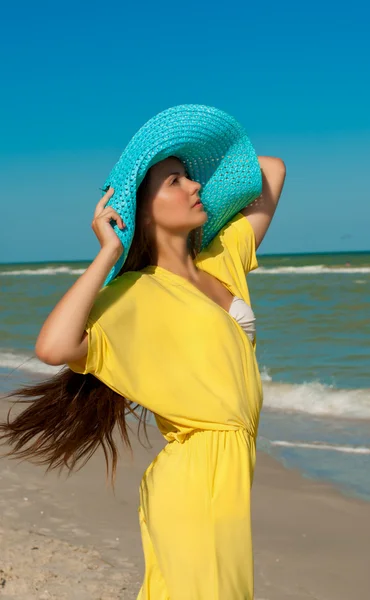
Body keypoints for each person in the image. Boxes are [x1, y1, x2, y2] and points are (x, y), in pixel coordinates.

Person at [0, 105, 286, 599]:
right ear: (141, 207)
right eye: (175, 181)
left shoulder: (222, 257)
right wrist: (110, 250)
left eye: (191, 179)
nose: (193, 186)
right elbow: (54, 347)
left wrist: (198, 184)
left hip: (231, 473)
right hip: (193, 477)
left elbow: (271, 169)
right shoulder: (133, 293)